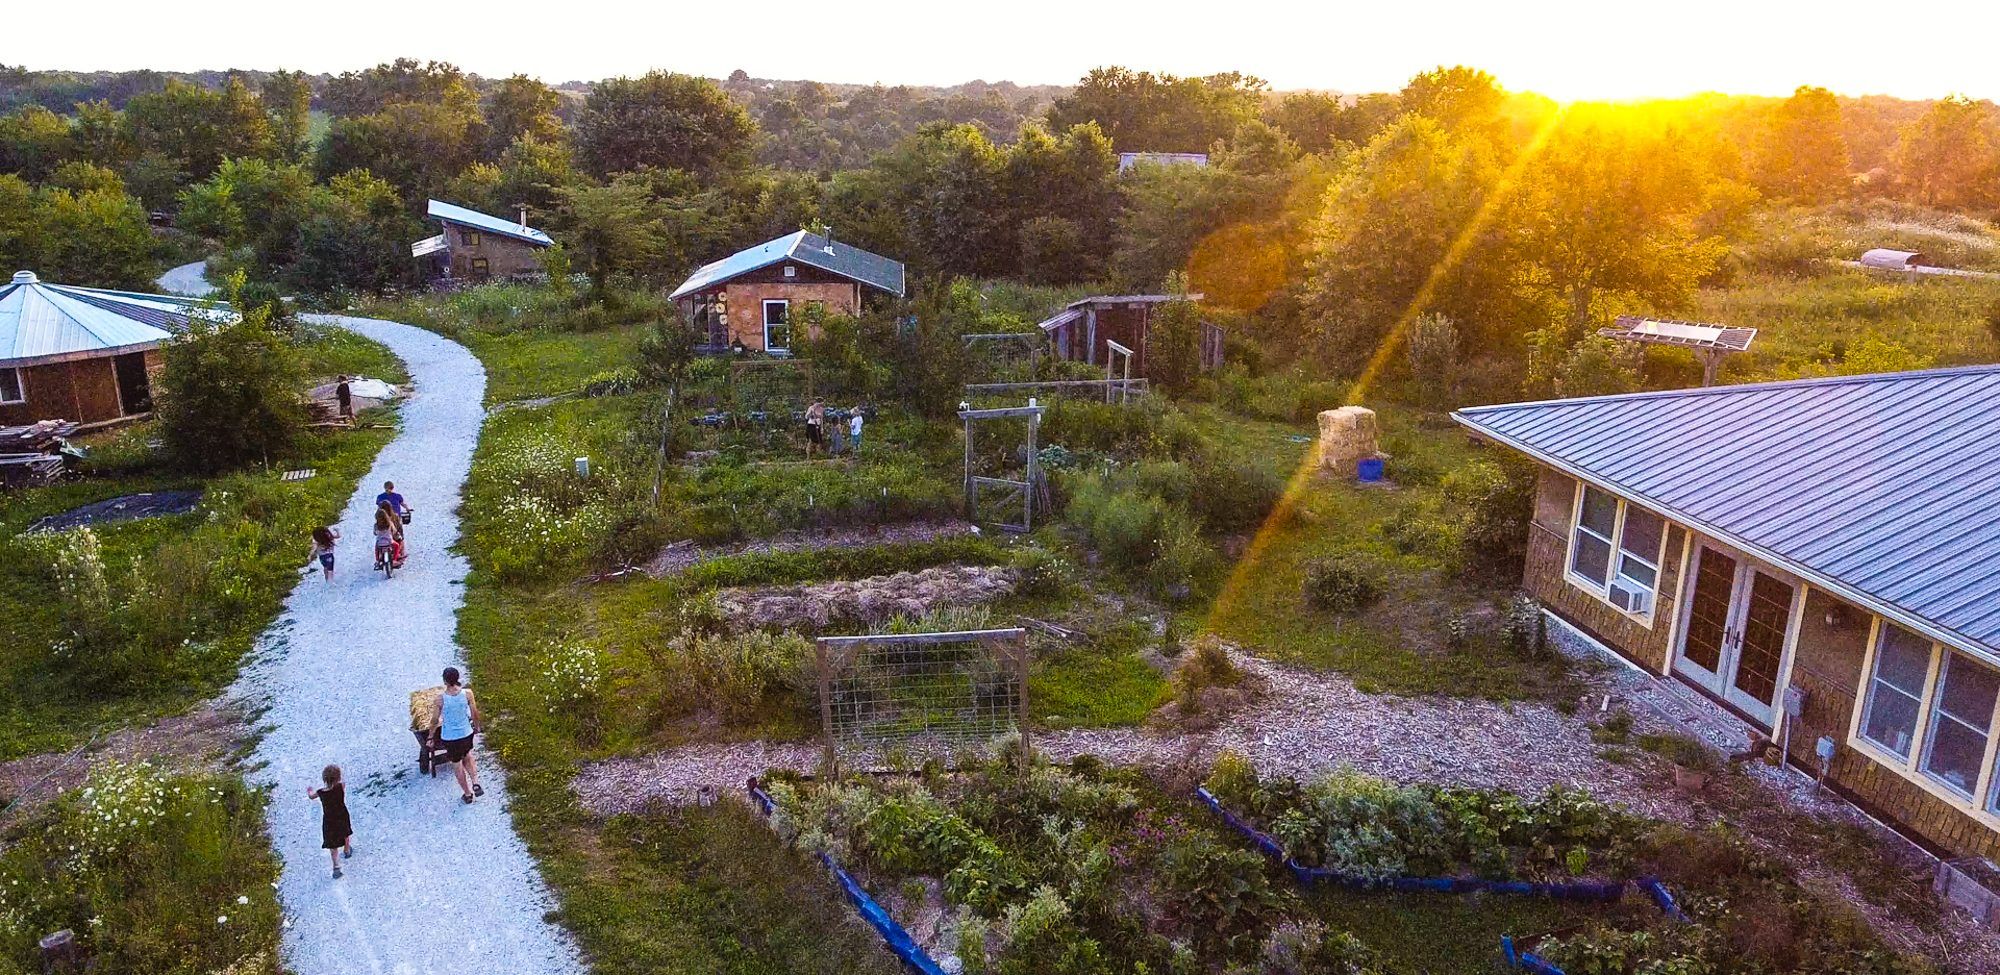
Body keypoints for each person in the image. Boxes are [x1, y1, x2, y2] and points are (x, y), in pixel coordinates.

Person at [430, 667, 484, 804]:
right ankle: (475, 781)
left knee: (457, 764)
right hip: (466, 733)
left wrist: (430, 737)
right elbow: (474, 712)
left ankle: (467, 793)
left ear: (445, 681)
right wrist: (477, 727)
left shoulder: (440, 699)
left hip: (450, 738)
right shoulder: (467, 693)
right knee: (468, 754)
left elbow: (434, 720)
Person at [307, 765, 354, 878]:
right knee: (345, 833)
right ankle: (347, 850)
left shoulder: (320, 792)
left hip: (329, 820)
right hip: (342, 816)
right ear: (338, 777)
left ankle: (336, 867)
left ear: (324, 779)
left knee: (332, 845)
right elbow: (342, 783)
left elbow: (311, 797)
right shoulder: (340, 786)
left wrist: (309, 791)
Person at [372, 505, 402, 571]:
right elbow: (394, 531)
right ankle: (394, 560)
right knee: (397, 546)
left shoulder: (376, 525)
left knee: (376, 549)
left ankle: (377, 560)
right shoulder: (389, 524)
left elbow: (375, 533)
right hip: (389, 542)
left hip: (380, 543)